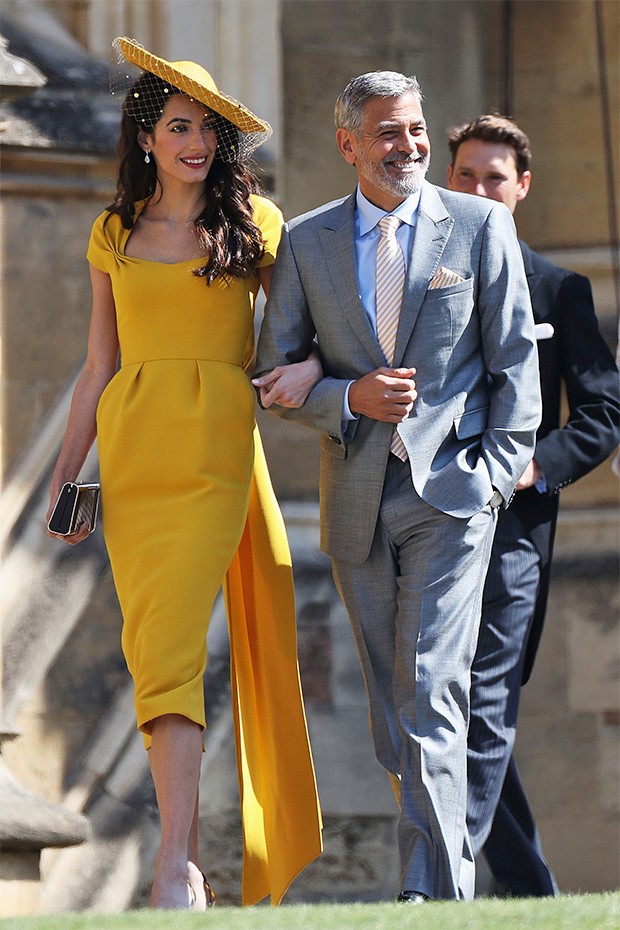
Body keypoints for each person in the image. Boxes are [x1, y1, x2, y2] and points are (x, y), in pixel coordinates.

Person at [46, 37, 322, 910]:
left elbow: (301, 339)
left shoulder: (259, 225)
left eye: (206, 128)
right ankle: (184, 862)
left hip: (216, 453)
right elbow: (97, 367)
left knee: (178, 645)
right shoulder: (111, 233)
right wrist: (64, 480)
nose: (195, 141)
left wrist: (310, 376)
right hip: (133, 457)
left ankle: (174, 864)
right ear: (147, 137)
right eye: (177, 126)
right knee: (157, 653)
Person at [253, 71, 542, 903]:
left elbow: (516, 364)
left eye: (415, 129)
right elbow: (271, 373)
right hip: (356, 501)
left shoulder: (481, 226)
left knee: (430, 688)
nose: (409, 146)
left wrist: (491, 477)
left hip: (454, 495)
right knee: (393, 709)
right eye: (388, 132)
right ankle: (438, 879)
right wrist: (347, 397)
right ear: (348, 145)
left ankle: (432, 894)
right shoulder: (304, 244)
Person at [447, 113, 620, 897]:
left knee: (487, 696)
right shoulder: (407, 278)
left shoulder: (559, 288)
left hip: (516, 529)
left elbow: (603, 412)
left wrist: (531, 466)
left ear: (520, 190)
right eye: (465, 175)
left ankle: (441, 878)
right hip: (424, 523)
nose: (478, 189)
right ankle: (528, 893)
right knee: (448, 706)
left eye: (493, 177)